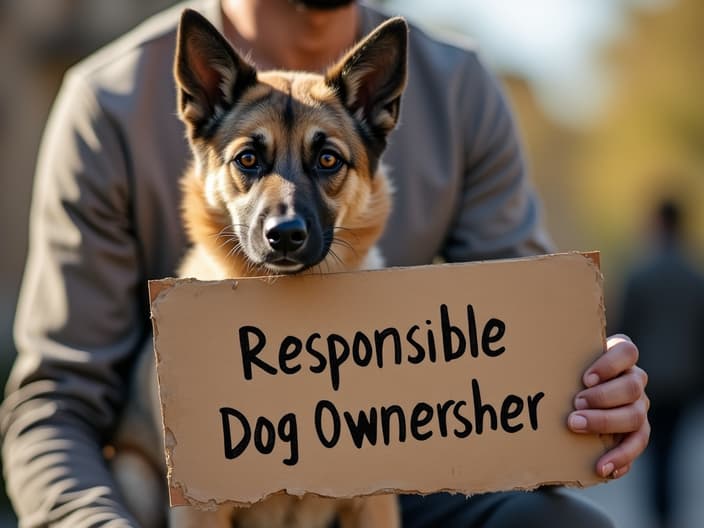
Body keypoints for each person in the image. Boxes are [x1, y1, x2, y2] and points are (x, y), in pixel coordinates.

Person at [1, 0, 649, 527]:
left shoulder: (457, 85)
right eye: (250, 161)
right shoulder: (106, 102)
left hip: (393, 474)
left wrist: (590, 393)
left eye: (327, 162)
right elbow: (56, 402)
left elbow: (519, 359)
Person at [618, 198, 704, 528]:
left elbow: (624, 331)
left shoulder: (640, 275)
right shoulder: (695, 277)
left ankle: (658, 515)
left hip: (647, 377)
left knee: (653, 453)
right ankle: (668, 514)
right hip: (685, 380)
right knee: (674, 453)